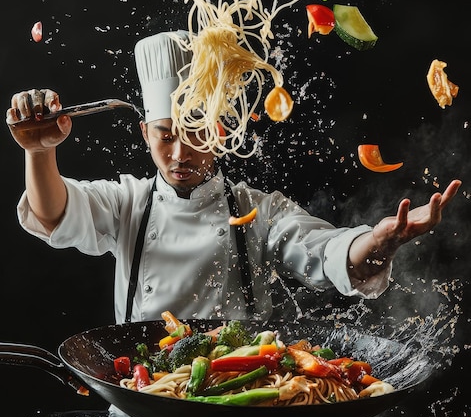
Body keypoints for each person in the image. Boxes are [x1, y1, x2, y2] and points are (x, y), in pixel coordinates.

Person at [6, 30, 462, 324]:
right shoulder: (127, 203)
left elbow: (327, 254)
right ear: (145, 133)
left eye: (196, 134)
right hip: (139, 408)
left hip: (241, 404)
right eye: (165, 137)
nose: (179, 153)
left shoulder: (257, 210)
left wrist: (380, 241)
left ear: (221, 132)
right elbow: (56, 214)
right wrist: (39, 153)